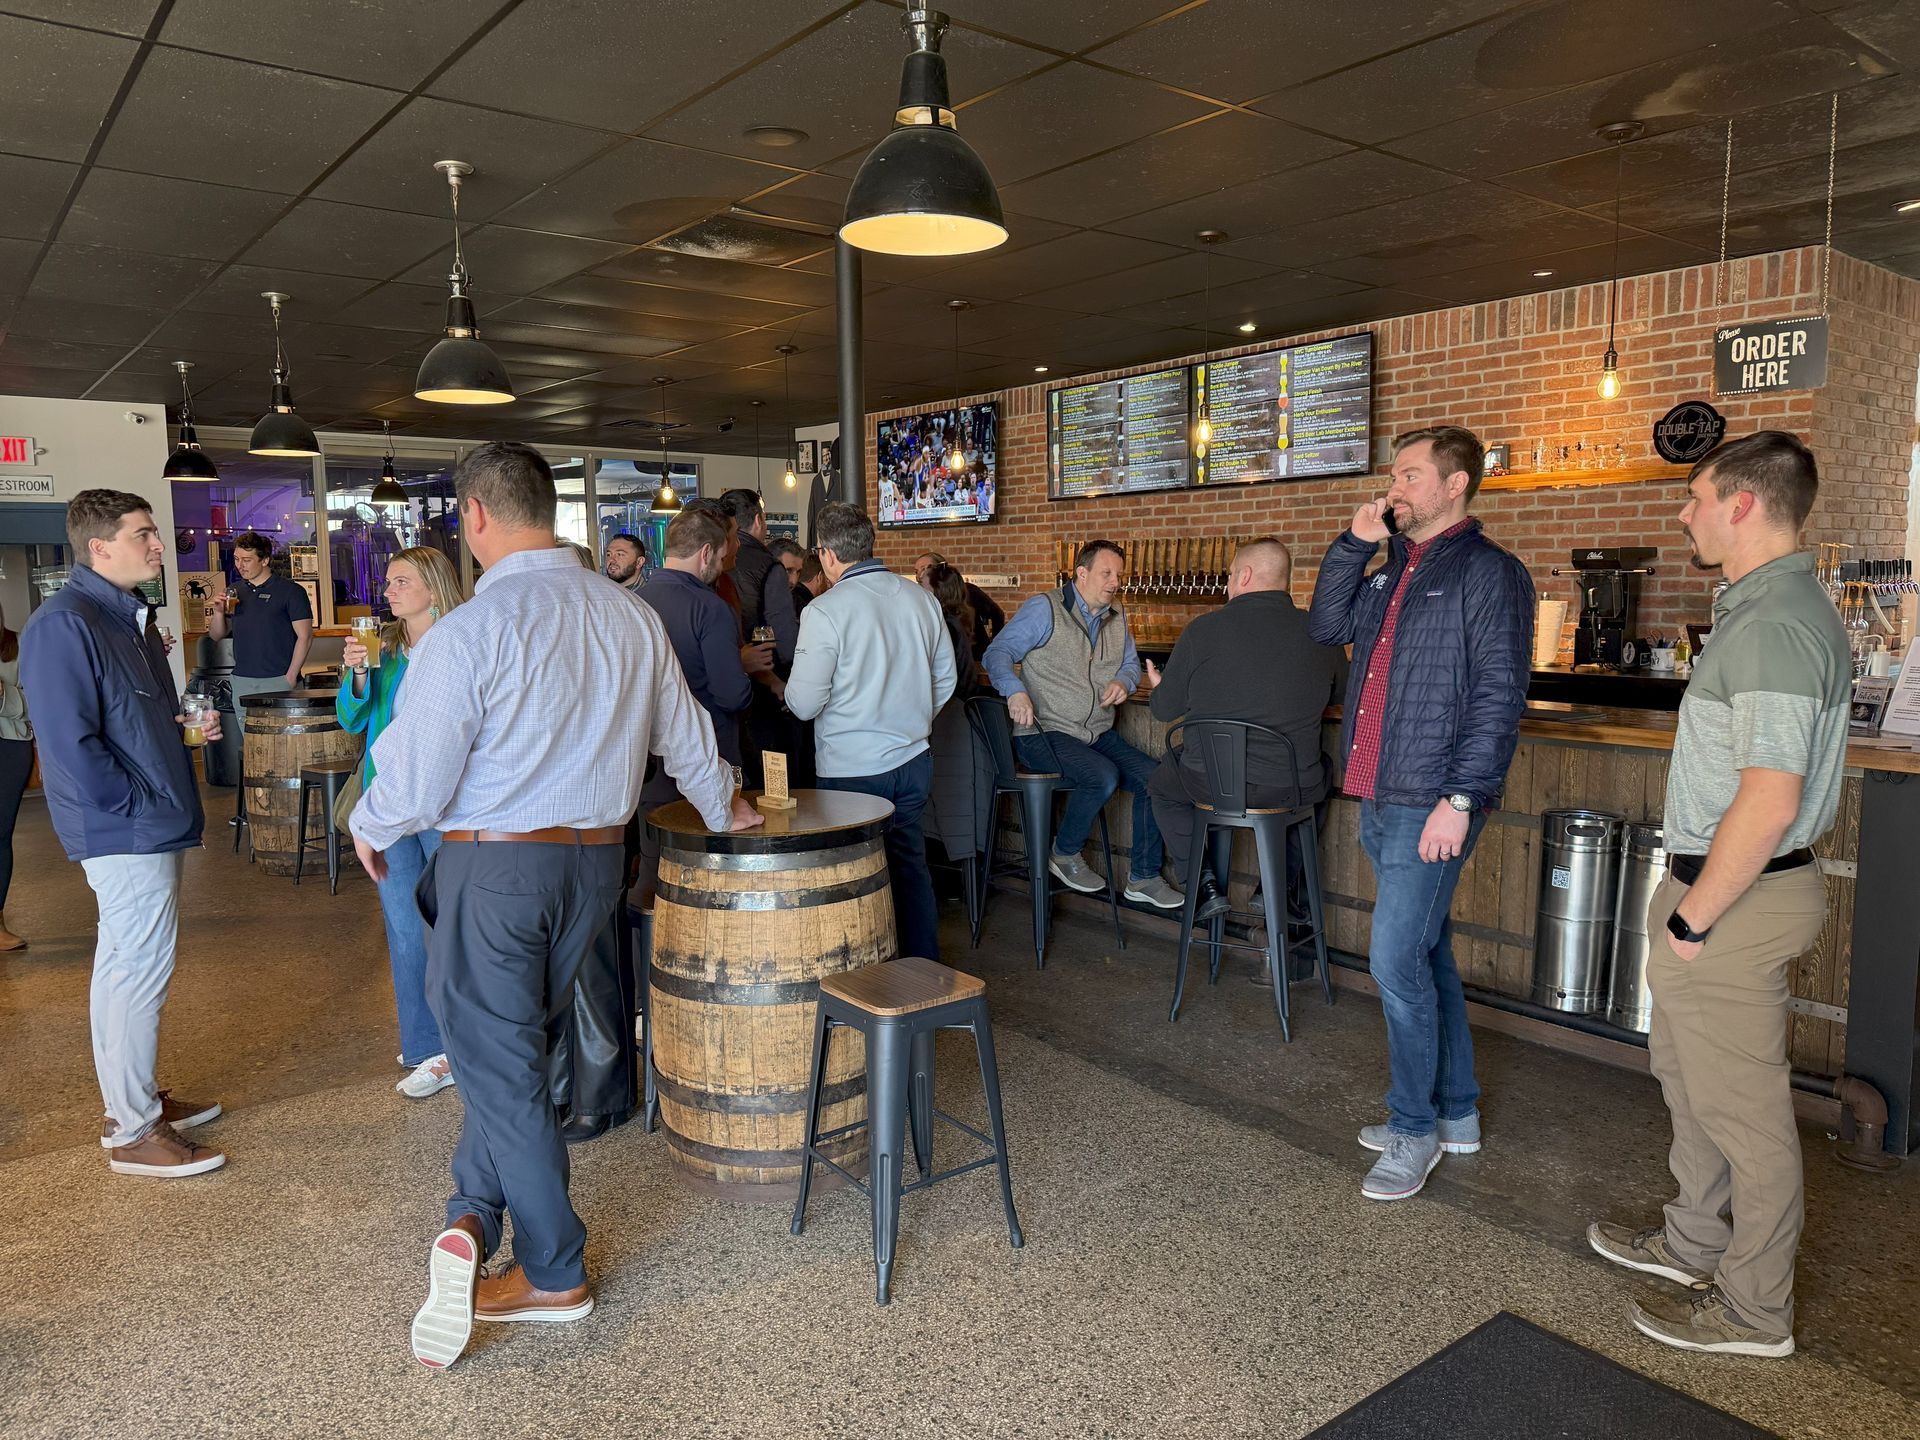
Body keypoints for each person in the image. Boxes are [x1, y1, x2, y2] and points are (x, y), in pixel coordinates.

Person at [347, 442, 760, 1368]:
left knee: (497, 1058)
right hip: (596, 867)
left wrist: (369, 823)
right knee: (513, 1050)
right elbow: (689, 738)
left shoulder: (470, 632)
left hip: (497, 872)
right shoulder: (629, 613)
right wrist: (725, 807)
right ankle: (471, 1210)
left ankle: (553, 1269)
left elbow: (417, 777)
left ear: (474, 516)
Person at [1588, 433, 1850, 1360]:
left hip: (1735, 899)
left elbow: (1770, 799)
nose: (1684, 512)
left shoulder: (1776, 624)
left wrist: (1693, 917)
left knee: (1746, 1114)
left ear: (1742, 505)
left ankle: (1754, 1311)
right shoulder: (1759, 609)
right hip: (1715, 889)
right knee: (1690, 1080)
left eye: (1696, 496)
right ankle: (1694, 1242)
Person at [1307, 425, 1532, 1203]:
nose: (1394, 488)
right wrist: (1352, 544)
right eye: (1394, 476)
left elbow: (1500, 696)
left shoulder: (1489, 572)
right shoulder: (1391, 568)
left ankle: (1413, 1129)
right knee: (1425, 955)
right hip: (1380, 789)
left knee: (1394, 963)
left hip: (1430, 799)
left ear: (1455, 483)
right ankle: (1456, 1112)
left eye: (1409, 476)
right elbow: (1325, 628)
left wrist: (1461, 800)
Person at [20, 489, 225, 1178]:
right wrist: (134, 803)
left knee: (123, 969)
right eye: (144, 534)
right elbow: (69, 744)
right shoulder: (65, 624)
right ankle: (135, 1132)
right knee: (137, 973)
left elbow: (127, 721)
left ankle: (130, 1104)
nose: (159, 545)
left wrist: (181, 730)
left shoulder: (125, 618)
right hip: (127, 827)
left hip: (144, 817)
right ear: (99, 547)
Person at [785, 502, 956, 960]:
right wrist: (913, 719)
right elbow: (946, 678)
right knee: (909, 867)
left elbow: (803, 704)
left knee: (852, 880)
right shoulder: (920, 599)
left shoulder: (824, 611)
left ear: (826, 554)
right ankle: (921, 972)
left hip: (852, 770)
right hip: (913, 760)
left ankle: (865, 982)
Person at [1144, 538, 1345, 921]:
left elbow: (1163, 709)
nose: (1228, 583)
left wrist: (1160, 687)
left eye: (1231, 574)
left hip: (1208, 783)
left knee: (1161, 787)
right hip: (1287, 786)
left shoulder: (1202, 630)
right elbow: (1342, 694)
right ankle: (1277, 887)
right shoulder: (1321, 632)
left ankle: (1202, 884)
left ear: (1245, 575)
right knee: (1320, 776)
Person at [982, 540, 1183, 910]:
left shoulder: (1117, 614)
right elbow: (998, 652)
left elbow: (1130, 664)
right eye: (1107, 573)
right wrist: (1014, 690)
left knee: (1156, 779)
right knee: (1102, 776)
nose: (1115, 582)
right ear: (1082, 573)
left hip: (1095, 733)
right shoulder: (1045, 608)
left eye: (1119, 574)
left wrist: (1123, 681)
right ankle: (1064, 853)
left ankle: (1143, 877)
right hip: (1044, 732)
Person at [336, 547, 464, 1101]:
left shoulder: (459, 643)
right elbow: (351, 720)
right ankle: (425, 1046)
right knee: (404, 926)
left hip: (444, 804)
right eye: (388, 582)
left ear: (434, 587)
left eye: (401, 581)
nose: (388, 591)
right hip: (386, 801)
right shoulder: (384, 649)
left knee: (447, 925)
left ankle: (456, 1045)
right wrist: (357, 676)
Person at [634, 506, 756, 898]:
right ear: (705, 553)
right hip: (711, 763)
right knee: (715, 884)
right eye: (720, 558)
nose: (720, 567)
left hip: (647, 769)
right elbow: (731, 694)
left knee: (655, 874)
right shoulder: (710, 607)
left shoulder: (633, 602)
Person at [720, 488, 802, 784]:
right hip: (768, 687)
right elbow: (786, 641)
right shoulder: (767, 565)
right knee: (778, 780)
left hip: (726, 689)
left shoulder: (714, 564)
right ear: (758, 520)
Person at [204, 531, 312, 702]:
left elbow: (305, 636)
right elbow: (216, 635)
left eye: (247, 560)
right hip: (241, 680)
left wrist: (290, 677)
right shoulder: (234, 590)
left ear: (265, 560)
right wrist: (218, 612)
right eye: (236, 559)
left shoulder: (291, 591)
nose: (240, 565)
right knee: (244, 722)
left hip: (279, 679)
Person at [0, 601, 31, 952]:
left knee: (0, 833)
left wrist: (3, 694)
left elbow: (39, 700)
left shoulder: (17, 645)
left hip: (9, 747)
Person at [914, 551, 1004, 657]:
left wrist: (995, 647)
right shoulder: (923, 599)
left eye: (924, 569)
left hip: (977, 655)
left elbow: (997, 614)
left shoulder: (969, 591)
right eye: (916, 571)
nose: (919, 576)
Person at [919, 561, 983, 703]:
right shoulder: (956, 619)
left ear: (937, 590)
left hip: (953, 703)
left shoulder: (945, 625)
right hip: (962, 700)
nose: (919, 592)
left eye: (922, 585)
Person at [792, 551, 827, 616]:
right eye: (827, 578)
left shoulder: (789, 597)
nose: (829, 584)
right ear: (820, 577)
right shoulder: (809, 608)